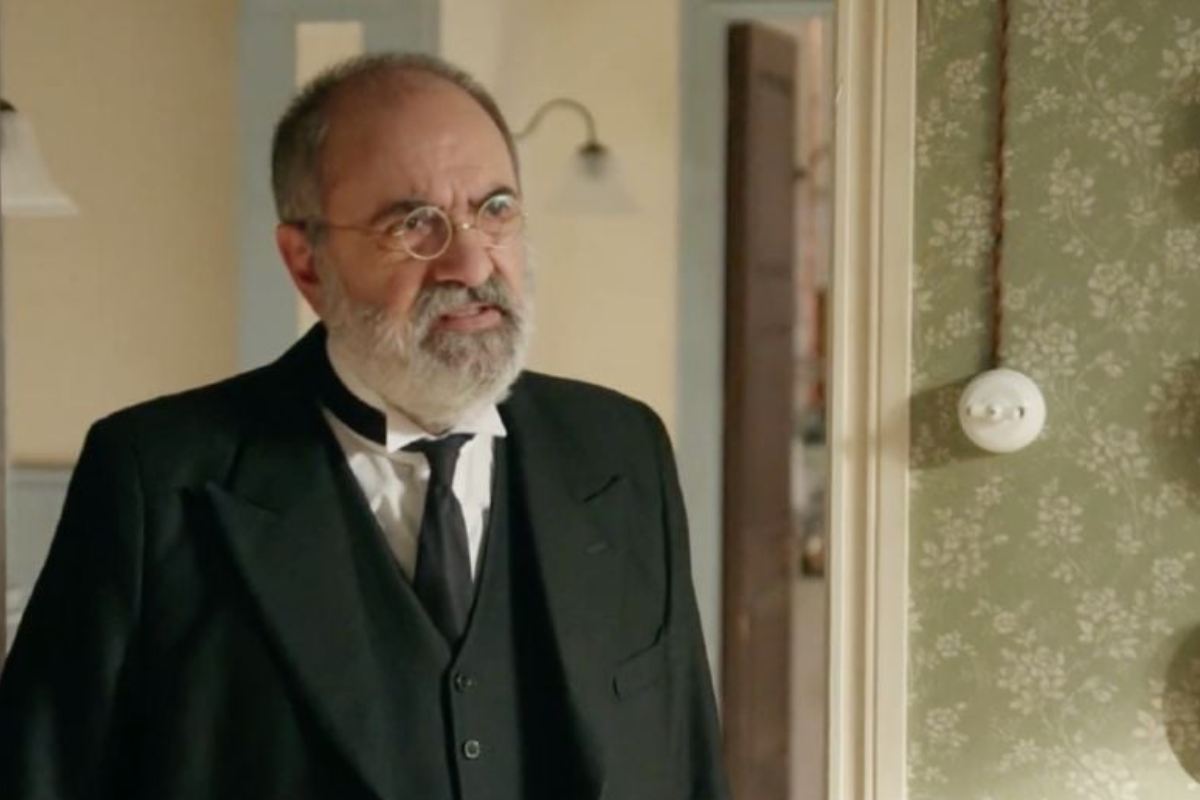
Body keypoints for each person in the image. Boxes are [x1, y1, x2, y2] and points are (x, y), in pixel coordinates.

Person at [0, 53, 729, 800]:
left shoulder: (621, 449)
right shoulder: (156, 479)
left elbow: (688, 761)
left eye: (496, 209)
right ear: (306, 263)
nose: (470, 262)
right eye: (413, 225)